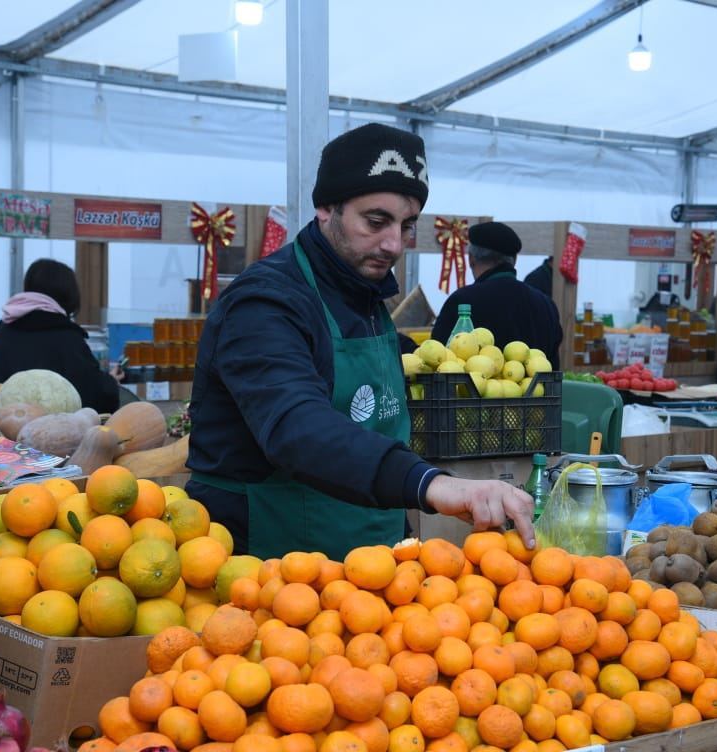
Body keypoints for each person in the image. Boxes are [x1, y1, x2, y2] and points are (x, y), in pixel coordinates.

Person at [185, 123, 534, 560]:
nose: (393, 244)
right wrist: (430, 483)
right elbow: (299, 428)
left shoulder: (364, 296)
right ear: (326, 208)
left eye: (407, 225)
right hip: (272, 570)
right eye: (376, 221)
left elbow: (378, 430)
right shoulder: (264, 302)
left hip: (371, 570)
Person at [0, 259, 122, 413]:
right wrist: (111, 383)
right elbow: (93, 395)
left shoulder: (5, 332)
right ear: (68, 294)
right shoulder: (67, 338)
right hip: (57, 434)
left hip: (4, 430)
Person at [431, 222, 564, 368]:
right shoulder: (547, 304)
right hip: (540, 391)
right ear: (514, 260)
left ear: (471, 259)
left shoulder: (462, 302)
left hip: (476, 390)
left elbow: (436, 358)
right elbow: (553, 369)